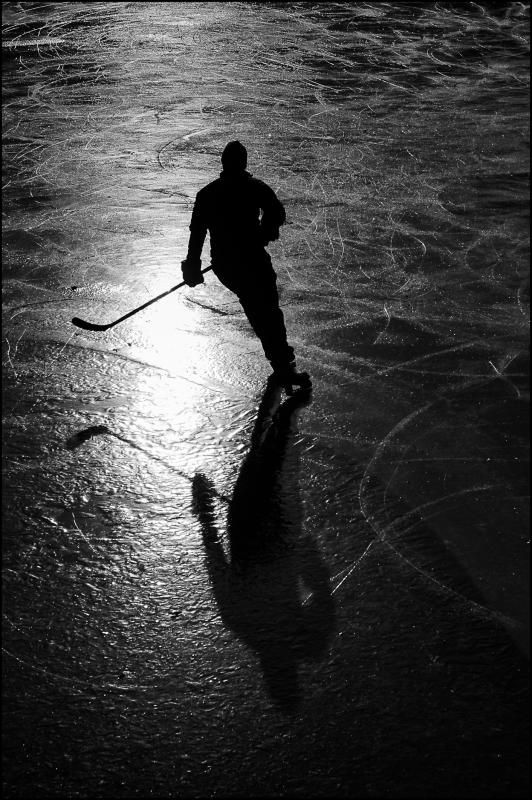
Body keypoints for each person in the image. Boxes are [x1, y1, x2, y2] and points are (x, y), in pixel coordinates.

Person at [181, 140, 311, 394]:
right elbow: (276, 212)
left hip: (228, 264)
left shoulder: (208, 194)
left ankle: (282, 361)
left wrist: (193, 266)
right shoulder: (253, 188)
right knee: (265, 309)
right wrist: (265, 233)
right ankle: (282, 363)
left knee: (262, 309)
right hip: (246, 261)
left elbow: (197, 234)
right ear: (243, 163)